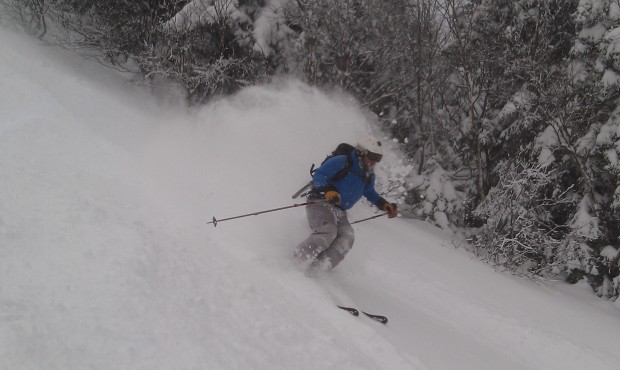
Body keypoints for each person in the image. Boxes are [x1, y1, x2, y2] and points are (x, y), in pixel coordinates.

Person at [294, 135, 398, 272]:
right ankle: (296, 259)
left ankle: (318, 269)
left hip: (339, 209)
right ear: (361, 152)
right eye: (372, 156)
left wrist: (384, 204)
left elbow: (369, 192)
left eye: (377, 159)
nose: (374, 162)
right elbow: (319, 175)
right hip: (320, 202)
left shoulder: (368, 175)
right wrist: (328, 190)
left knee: (347, 237)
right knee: (329, 231)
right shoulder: (342, 161)